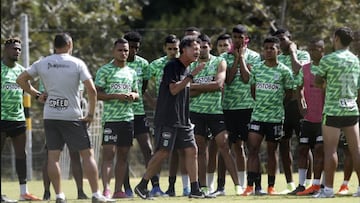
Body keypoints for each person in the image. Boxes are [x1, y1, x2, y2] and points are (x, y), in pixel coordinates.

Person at [16, 33, 114, 203]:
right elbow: (91, 90)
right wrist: (90, 114)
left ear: (55, 46)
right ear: (70, 44)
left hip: (51, 116)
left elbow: (21, 79)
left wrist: (36, 94)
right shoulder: (77, 63)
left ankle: (59, 195)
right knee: (87, 155)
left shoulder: (43, 62)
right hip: (73, 116)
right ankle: (96, 194)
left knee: (53, 157)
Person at [134, 35, 207, 199]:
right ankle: (142, 185)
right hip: (168, 119)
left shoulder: (186, 69)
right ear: (184, 49)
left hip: (182, 120)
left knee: (192, 150)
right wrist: (191, 76)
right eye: (194, 49)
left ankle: (195, 190)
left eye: (199, 49)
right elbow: (173, 90)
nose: (198, 52)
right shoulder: (172, 66)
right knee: (163, 152)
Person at [189, 34, 241, 196]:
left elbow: (219, 84)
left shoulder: (219, 61)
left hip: (216, 112)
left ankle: (237, 185)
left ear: (210, 47)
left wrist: (197, 86)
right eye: (198, 47)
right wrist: (203, 86)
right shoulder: (190, 66)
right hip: (196, 112)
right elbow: (187, 91)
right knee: (200, 150)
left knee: (224, 146)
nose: (201, 50)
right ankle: (204, 186)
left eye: (204, 47)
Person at [242, 36, 294, 196]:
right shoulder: (257, 68)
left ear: (278, 50)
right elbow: (253, 91)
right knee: (253, 149)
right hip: (258, 116)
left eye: (272, 48)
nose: (269, 51)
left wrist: (276, 105)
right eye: (266, 48)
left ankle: (271, 186)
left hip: (276, 117)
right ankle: (250, 186)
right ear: (263, 51)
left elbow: (289, 93)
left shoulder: (284, 70)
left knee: (272, 152)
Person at [314, 27, 360, 198]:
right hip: (351, 109)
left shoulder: (328, 59)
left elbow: (318, 81)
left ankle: (328, 190)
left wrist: (326, 83)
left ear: (337, 39)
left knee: (330, 150)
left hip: (333, 110)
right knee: (356, 150)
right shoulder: (356, 60)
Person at [95, 38, 139, 199]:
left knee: (123, 155)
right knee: (108, 154)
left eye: (126, 50)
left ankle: (118, 190)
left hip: (127, 119)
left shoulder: (132, 72)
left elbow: (137, 93)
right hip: (111, 119)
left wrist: (132, 95)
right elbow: (97, 94)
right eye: (120, 50)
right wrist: (116, 96)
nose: (123, 53)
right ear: (114, 51)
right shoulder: (104, 70)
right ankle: (106, 189)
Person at [147, 34, 191, 197]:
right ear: (165, 49)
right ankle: (153, 185)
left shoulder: (183, 64)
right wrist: (152, 102)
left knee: (184, 150)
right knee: (161, 150)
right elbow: (145, 85)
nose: (173, 52)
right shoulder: (156, 65)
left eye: (176, 49)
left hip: (180, 112)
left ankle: (183, 187)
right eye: (170, 49)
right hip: (164, 113)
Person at [221, 24, 261, 196]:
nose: (237, 40)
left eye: (240, 37)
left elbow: (247, 79)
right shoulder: (224, 57)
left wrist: (242, 59)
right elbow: (228, 80)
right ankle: (222, 186)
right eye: (234, 37)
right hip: (228, 108)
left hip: (248, 108)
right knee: (227, 147)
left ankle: (255, 185)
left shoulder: (255, 56)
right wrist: (235, 59)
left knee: (251, 148)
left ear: (246, 39)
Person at [1, 37, 41, 202]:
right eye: (14, 49)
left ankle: (24, 192)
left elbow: (28, 87)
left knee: (21, 155)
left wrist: (38, 96)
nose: (17, 51)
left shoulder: (21, 70)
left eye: (19, 49)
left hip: (17, 118)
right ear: (5, 50)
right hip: (1, 119)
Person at [272, 28, 312, 194]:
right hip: (283, 106)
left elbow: (298, 70)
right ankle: (290, 184)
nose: (281, 43)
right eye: (278, 40)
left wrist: (294, 52)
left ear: (290, 39)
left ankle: (308, 183)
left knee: (305, 146)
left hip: (300, 106)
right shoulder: (277, 59)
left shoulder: (303, 55)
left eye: (283, 39)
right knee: (284, 145)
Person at [293, 38, 325, 196]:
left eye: (315, 49)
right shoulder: (305, 69)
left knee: (320, 149)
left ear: (322, 50)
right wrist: (301, 106)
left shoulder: (328, 68)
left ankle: (319, 185)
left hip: (324, 118)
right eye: (310, 49)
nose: (312, 52)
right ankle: (301, 184)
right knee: (303, 149)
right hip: (308, 118)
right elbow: (297, 88)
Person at [207, 33, 233, 195]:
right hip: (214, 110)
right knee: (212, 148)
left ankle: (233, 185)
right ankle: (210, 186)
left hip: (232, 110)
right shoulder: (214, 62)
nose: (223, 48)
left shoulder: (231, 61)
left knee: (231, 148)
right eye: (220, 45)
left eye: (226, 45)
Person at [336, 29, 360, 196]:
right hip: (351, 110)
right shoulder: (352, 61)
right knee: (350, 150)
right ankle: (345, 184)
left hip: (352, 111)